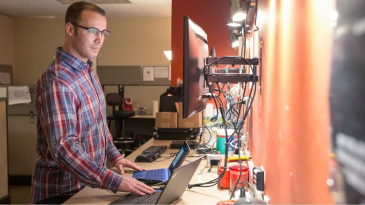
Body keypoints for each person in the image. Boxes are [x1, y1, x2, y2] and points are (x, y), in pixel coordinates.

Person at [30, 1, 155, 204]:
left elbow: (99, 124)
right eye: (92, 31)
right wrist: (113, 180)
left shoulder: (88, 72)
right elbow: (64, 148)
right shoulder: (58, 81)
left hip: (88, 185)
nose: (100, 39)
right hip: (62, 193)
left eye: (104, 32)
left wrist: (115, 156)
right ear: (70, 29)